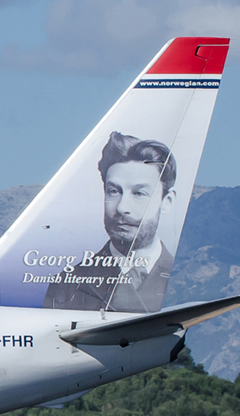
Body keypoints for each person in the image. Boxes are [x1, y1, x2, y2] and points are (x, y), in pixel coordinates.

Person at [43, 131, 177, 313]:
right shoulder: (67, 283)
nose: (122, 207)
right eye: (114, 191)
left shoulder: (183, 274)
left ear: (166, 202)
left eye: (139, 193)